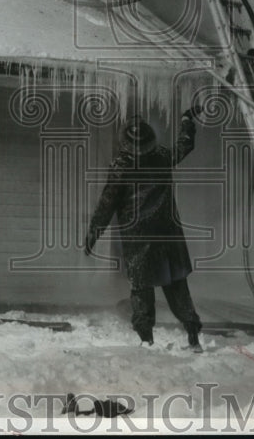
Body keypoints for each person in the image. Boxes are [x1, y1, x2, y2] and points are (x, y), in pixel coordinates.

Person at [85, 99, 205, 351]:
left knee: (141, 290)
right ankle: (193, 337)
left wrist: (93, 233)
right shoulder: (162, 156)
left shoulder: (121, 167)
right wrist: (187, 120)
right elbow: (185, 144)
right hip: (168, 235)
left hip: (138, 238)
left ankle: (146, 340)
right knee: (177, 287)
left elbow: (106, 204)